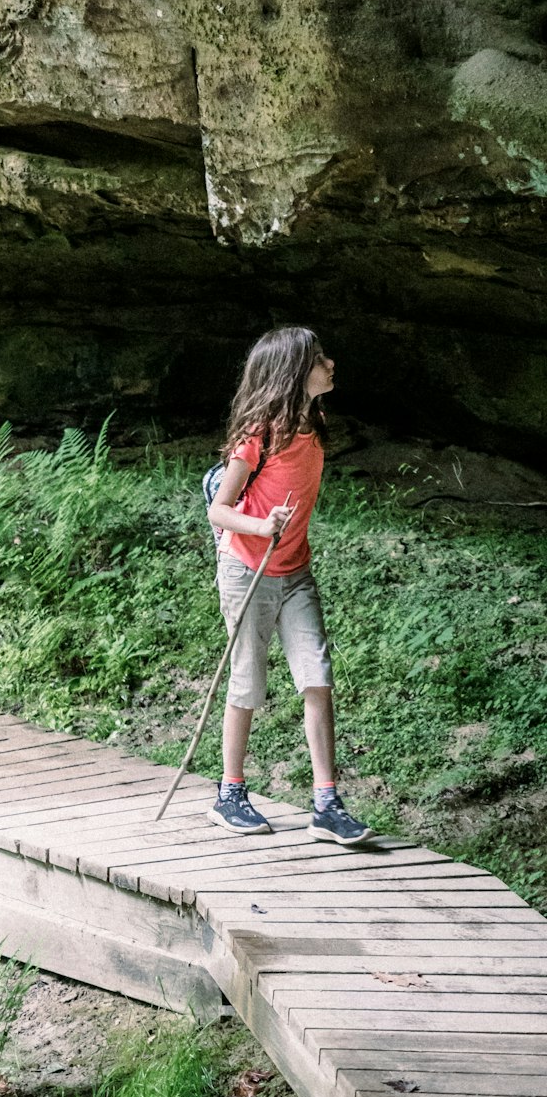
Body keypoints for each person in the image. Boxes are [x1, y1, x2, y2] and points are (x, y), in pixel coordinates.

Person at [205, 325, 372, 844]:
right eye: (319, 358)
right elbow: (220, 510)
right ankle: (230, 793)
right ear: (294, 372)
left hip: (295, 571)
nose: (330, 364)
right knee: (248, 681)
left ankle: (326, 804)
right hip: (247, 571)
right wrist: (262, 526)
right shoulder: (258, 434)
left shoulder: (314, 426)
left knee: (317, 678)